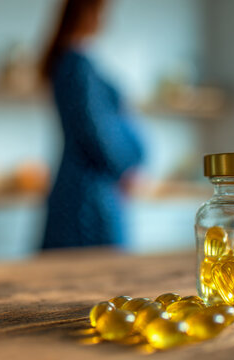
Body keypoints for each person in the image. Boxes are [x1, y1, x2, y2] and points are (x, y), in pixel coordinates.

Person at [40, 0, 144, 249]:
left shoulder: (73, 62)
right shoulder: (76, 64)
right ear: (89, 12)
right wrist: (124, 167)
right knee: (95, 276)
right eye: (103, 11)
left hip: (92, 188)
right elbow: (94, 131)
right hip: (88, 197)